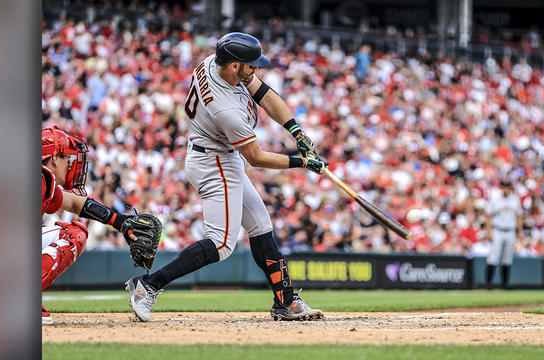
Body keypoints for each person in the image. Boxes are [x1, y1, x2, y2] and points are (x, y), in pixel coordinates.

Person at [125, 32, 328, 322]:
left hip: (217, 154)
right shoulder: (225, 108)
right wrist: (302, 162)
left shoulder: (217, 62)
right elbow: (256, 157)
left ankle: (286, 300)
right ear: (234, 66)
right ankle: (147, 285)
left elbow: (264, 94)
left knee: (260, 225)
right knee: (220, 245)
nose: (255, 70)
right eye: (251, 66)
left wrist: (297, 131)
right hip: (214, 160)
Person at [41, 127, 142, 324]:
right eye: (66, 158)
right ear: (54, 158)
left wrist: (120, 222)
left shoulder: (45, 182)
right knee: (73, 237)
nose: (70, 164)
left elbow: (76, 203)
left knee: (73, 233)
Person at [484, 179, 524, 290]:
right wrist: (489, 232)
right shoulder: (495, 200)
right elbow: (487, 216)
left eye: (508, 187)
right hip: (497, 230)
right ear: (501, 188)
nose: (506, 189)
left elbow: (519, 216)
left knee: (507, 259)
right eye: (504, 187)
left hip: (510, 230)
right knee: (493, 258)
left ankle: (505, 285)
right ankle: (488, 284)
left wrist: (520, 231)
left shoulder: (515, 200)